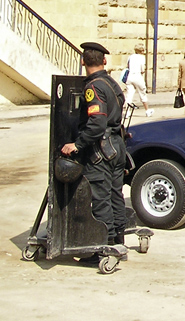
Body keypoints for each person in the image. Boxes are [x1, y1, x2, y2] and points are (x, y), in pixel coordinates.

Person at [60, 42, 127, 259]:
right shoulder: (112, 83)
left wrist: (77, 145)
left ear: (83, 61)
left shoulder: (93, 87)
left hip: (101, 150)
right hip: (117, 145)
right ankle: (119, 240)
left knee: (100, 197)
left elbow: (97, 123)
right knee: (115, 194)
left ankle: (104, 248)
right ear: (104, 61)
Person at [125, 43, 153, 117]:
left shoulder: (130, 57)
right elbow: (142, 70)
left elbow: (127, 66)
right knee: (142, 93)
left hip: (130, 76)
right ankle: (147, 111)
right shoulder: (142, 58)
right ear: (142, 50)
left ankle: (127, 112)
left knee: (129, 95)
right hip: (137, 76)